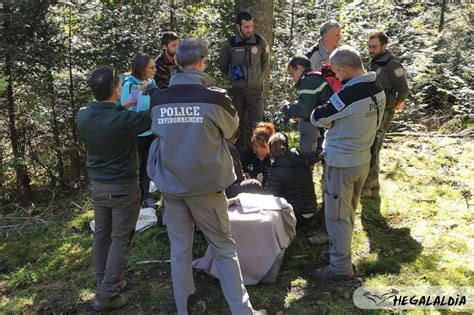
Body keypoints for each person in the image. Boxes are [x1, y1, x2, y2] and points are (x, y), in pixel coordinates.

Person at [146, 38, 265, 315]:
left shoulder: (159, 99)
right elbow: (232, 131)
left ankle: (184, 309)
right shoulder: (215, 98)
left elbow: (157, 132)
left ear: (176, 61)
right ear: (202, 63)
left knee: (179, 251)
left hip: (172, 186)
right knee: (223, 248)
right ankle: (242, 311)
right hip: (206, 188)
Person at [77, 66, 151, 311]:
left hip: (99, 187)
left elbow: (106, 118)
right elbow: (152, 117)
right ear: (117, 89)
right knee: (120, 239)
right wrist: (154, 93)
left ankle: (104, 283)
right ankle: (108, 294)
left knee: (101, 235)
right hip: (124, 188)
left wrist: (123, 105)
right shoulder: (124, 121)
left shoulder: (84, 115)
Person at [310, 45, 386, 280]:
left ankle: (340, 267)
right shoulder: (377, 88)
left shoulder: (348, 95)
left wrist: (329, 122)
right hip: (362, 159)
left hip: (342, 162)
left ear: (344, 69)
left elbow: (317, 116)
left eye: (336, 72)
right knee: (348, 211)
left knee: (337, 216)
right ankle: (338, 252)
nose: (335, 76)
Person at [362, 31, 409, 197]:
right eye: (369, 47)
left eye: (374, 47)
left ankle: (367, 187)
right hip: (372, 110)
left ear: (384, 46)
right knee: (371, 145)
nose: (371, 50)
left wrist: (394, 105)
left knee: (373, 147)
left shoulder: (393, 65)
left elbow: (403, 90)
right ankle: (373, 183)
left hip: (384, 111)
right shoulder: (373, 62)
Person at [219, 11, 270, 152]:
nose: (250, 30)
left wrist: (255, 76)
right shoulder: (230, 44)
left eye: (251, 26)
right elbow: (223, 65)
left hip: (255, 89)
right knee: (236, 124)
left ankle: (257, 155)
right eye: (246, 27)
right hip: (237, 90)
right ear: (238, 27)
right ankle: (238, 155)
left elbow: (265, 64)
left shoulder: (260, 42)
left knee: (257, 125)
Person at [120, 53, 157, 209]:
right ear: (142, 68)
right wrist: (140, 92)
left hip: (150, 131)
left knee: (147, 165)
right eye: (152, 67)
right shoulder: (129, 84)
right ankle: (134, 199)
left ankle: (145, 196)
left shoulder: (151, 81)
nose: (155, 70)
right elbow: (125, 107)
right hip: (135, 134)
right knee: (136, 165)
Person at [281, 55, 333, 161]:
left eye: (292, 73)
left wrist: (285, 107)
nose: (292, 78)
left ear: (299, 67)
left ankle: (306, 168)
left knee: (306, 146)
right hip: (329, 122)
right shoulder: (314, 77)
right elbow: (311, 104)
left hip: (328, 123)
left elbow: (305, 111)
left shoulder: (307, 81)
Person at [265, 132, 318, 228]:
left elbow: (269, 197)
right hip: (311, 211)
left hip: (296, 216)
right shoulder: (299, 156)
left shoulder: (277, 171)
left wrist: (260, 182)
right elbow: (314, 156)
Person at [240, 122, 275, 187]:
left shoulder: (274, 158)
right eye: (256, 146)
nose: (258, 149)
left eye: (262, 147)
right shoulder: (246, 155)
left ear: (269, 145)